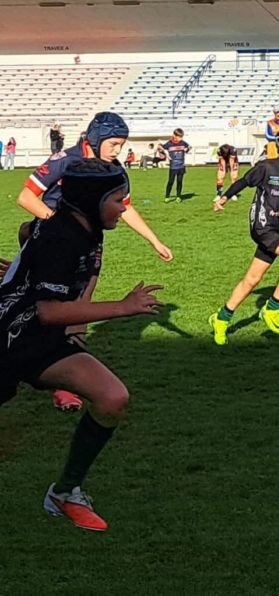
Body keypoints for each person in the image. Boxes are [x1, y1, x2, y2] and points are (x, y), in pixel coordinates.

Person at [1, 159, 164, 531]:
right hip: (9, 339)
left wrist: (21, 271)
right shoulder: (62, 236)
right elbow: (49, 311)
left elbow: (28, 232)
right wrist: (123, 307)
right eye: (118, 200)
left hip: (40, 341)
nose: (123, 208)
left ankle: (65, 492)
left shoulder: (85, 228)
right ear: (92, 201)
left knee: (112, 397)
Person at [16, 112, 173, 412]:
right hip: (51, 244)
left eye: (122, 144)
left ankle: (65, 384)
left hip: (88, 246)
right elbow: (26, 196)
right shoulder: (65, 160)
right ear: (96, 139)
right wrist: (61, 227)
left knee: (79, 309)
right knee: (41, 307)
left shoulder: (114, 170)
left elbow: (125, 208)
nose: (117, 150)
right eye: (113, 143)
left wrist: (154, 240)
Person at [209, 128, 279, 344]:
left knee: (252, 279)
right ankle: (272, 308)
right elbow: (243, 182)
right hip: (263, 226)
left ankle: (221, 318)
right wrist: (224, 198)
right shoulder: (267, 167)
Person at [162, 128, 190, 202]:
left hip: (181, 166)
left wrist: (187, 150)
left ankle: (178, 196)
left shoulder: (183, 143)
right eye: (179, 137)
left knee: (179, 181)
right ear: (174, 135)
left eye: (181, 137)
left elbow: (188, 147)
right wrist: (167, 155)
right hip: (173, 167)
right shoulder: (169, 143)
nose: (180, 138)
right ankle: (167, 196)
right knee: (171, 181)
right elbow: (162, 148)